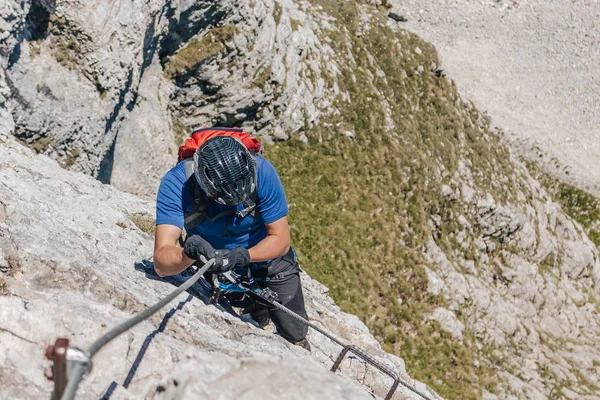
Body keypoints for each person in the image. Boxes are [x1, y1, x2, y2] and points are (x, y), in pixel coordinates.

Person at [153, 130, 309, 348]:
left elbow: (280, 239)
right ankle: (257, 310)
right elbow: (161, 262)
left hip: (267, 260)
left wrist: (242, 256)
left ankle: (264, 310)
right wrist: (189, 252)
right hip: (214, 262)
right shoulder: (176, 184)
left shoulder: (263, 172)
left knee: (296, 329)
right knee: (251, 307)